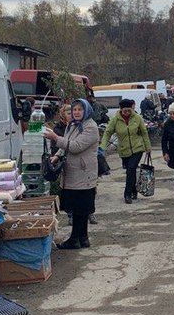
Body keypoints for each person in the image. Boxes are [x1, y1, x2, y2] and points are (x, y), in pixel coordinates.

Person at [44, 99, 100, 250]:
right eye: (74, 110)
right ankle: (81, 238)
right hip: (72, 172)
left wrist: (55, 138)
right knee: (77, 208)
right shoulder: (73, 125)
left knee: (81, 207)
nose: (76, 113)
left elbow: (76, 146)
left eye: (79, 110)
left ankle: (77, 238)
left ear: (86, 111)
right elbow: (66, 144)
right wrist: (56, 156)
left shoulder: (91, 127)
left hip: (83, 172)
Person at [103, 98, 152, 204]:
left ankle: (127, 194)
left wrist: (148, 147)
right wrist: (102, 146)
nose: (127, 113)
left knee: (131, 169)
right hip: (124, 150)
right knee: (131, 171)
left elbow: (144, 132)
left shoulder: (137, 118)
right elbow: (108, 132)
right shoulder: (115, 119)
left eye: (129, 110)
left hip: (137, 148)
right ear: (121, 110)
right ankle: (134, 190)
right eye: (125, 111)